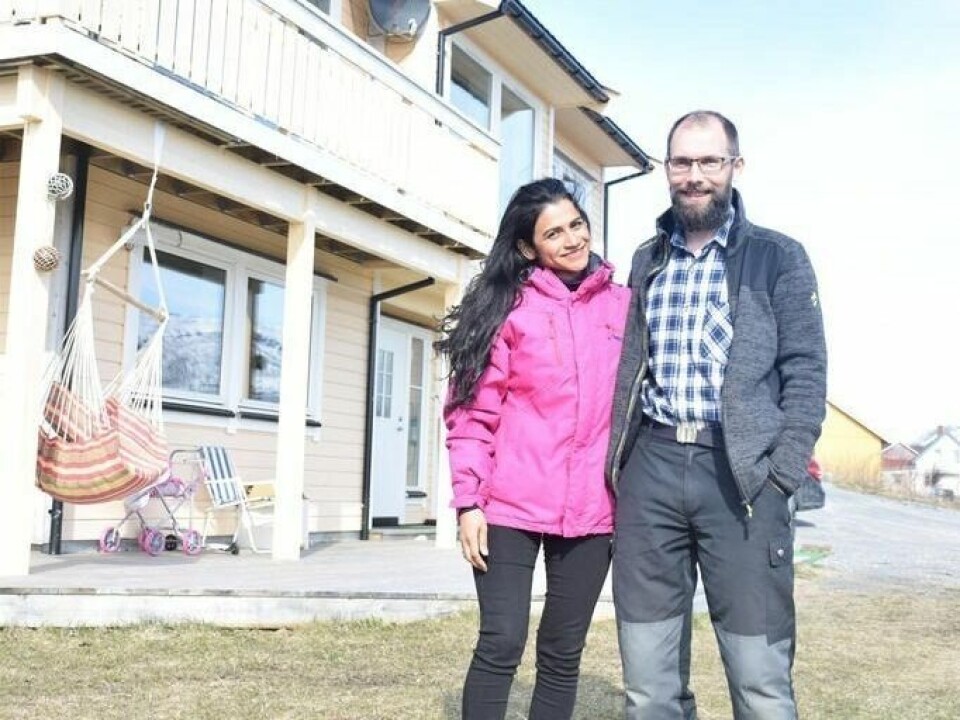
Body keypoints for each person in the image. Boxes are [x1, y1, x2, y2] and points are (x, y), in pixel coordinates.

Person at [606, 111, 827, 720]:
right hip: (651, 470)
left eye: (709, 161)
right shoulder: (647, 259)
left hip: (743, 478)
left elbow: (807, 374)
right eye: (682, 162)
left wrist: (781, 474)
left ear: (735, 165)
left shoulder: (779, 257)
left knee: (759, 677)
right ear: (667, 169)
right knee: (648, 684)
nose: (694, 175)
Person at [437, 177, 630, 720]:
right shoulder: (508, 310)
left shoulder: (623, 307)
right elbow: (472, 414)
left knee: (562, 653)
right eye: (554, 232)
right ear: (529, 248)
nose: (572, 239)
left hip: (593, 510)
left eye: (576, 224)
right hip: (509, 506)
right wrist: (468, 502)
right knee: (501, 642)